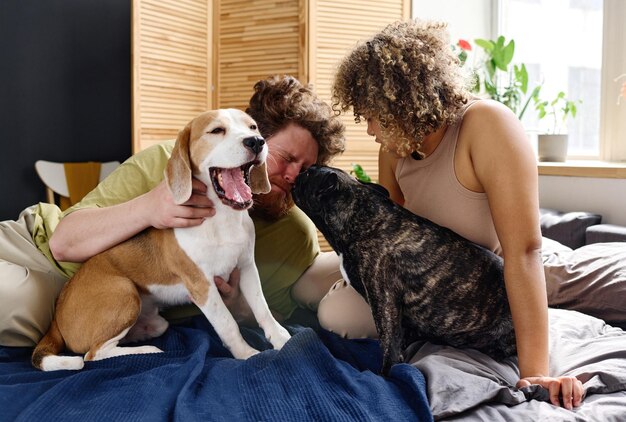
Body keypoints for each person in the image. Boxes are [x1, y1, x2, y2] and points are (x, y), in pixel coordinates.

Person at [328, 19, 584, 409]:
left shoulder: (485, 125)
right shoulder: (392, 153)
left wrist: (534, 371)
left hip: (482, 287)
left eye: (372, 115)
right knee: (305, 288)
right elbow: (389, 239)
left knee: (337, 316)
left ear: (400, 101)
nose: (369, 130)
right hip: (421, 283)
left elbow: (524, 251)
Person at [0, 74, 345, 347]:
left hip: (122, 310)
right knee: (23, 301)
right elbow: (63, 242)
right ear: (255, 143)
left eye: (306, 168)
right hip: (42, 254)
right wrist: (151, 208)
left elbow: (280, 304)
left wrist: (239, 306)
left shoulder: (295, 230)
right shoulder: (173, 161)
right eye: (286, 158)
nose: (292, 176)